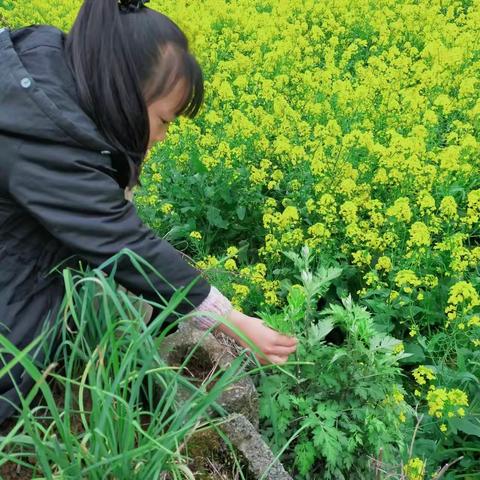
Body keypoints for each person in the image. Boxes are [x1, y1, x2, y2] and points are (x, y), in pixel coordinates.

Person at [0, 0, 297, 424]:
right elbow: (119, 239)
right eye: (164, 120)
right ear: (122, 90)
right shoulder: (46, 138)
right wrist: (230, 320)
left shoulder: (40, 70)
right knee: (15, 369)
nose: (160, 137)